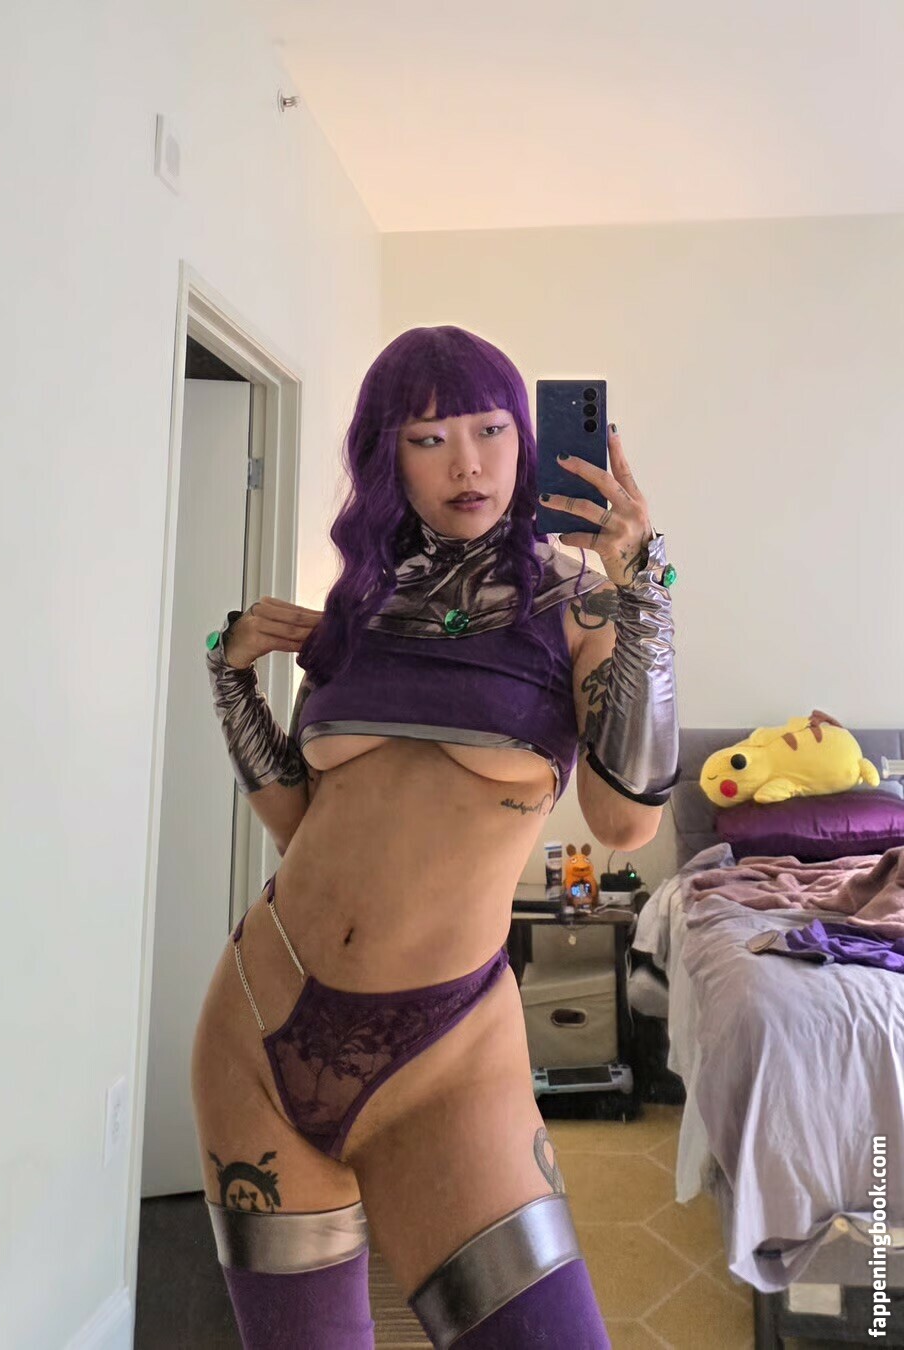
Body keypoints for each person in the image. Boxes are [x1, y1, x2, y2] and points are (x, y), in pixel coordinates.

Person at [192, 325, 679, 1348]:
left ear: (525, 440)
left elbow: (625, 821)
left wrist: (646, 596)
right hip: (258, 1026)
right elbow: (302, 824)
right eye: (429, 438)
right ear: (390, 458)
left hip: (444, 1054)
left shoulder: (579, 601)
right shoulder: (362, 603)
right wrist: (231, 683)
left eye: (491, 430)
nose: (468, 464)